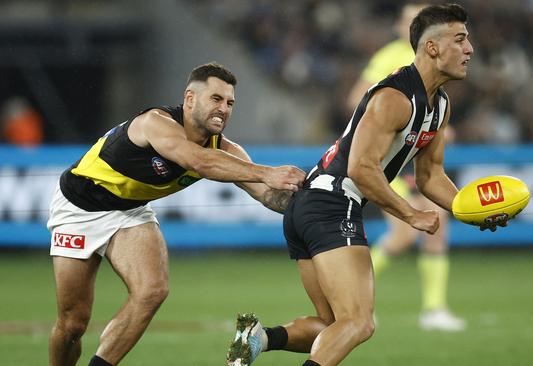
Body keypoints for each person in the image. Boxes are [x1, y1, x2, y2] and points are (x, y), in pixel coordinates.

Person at [226, 4, 491, 366]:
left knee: (331, 325)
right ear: (432, 48)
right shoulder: (394, 97)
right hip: (330, 204)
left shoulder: (439, 105)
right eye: (460, 39)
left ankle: (258, 338)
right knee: (359, 322)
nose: (469, 49)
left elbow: (430, 177)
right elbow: (362, 168)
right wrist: (410, 214)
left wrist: (470, 210)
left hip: (313, 205)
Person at [46, 62, 306, 366]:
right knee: (73, 324)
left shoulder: (225, 150)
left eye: (230, 102)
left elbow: (268, 196)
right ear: (190, 98)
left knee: (152, 290)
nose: (224, 109)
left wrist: (314, 197)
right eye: (216, 99)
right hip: (79, 206)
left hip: (129, 211)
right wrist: (266, 172)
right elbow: (198, 161)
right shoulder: (154, 123)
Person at [346, 2, 465, 332]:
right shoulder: (390, 58)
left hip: (412, 165)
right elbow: (357, 97)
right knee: (402, 234)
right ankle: (352, 296)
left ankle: (434, 308)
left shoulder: (435, 71)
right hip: (387, 164)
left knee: (438, 227)